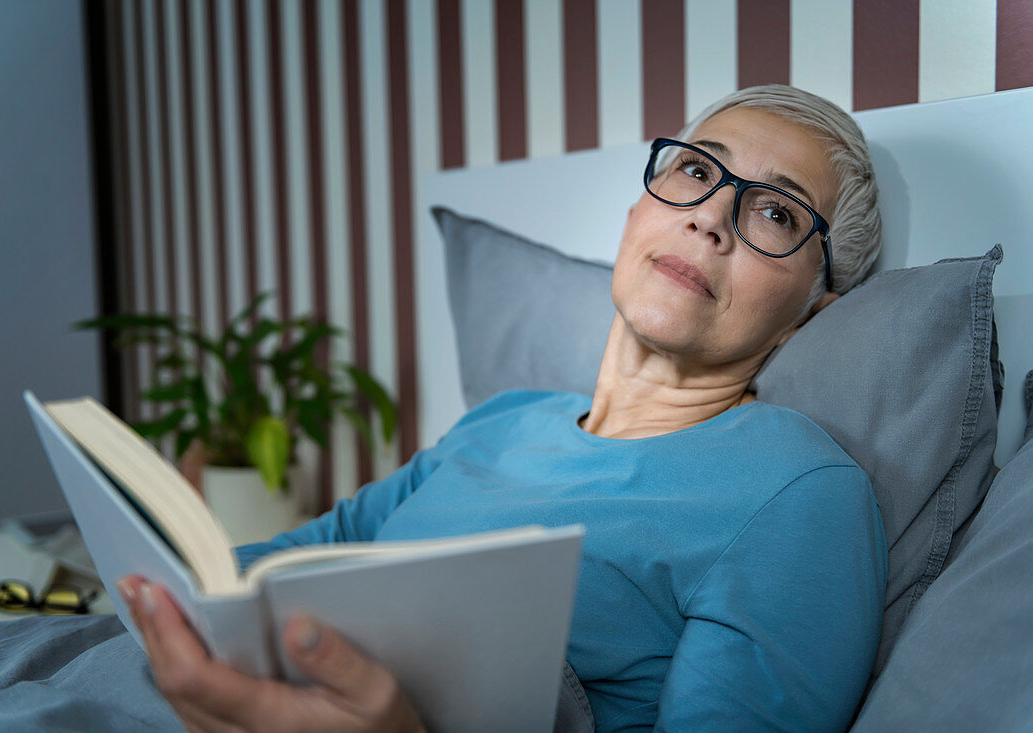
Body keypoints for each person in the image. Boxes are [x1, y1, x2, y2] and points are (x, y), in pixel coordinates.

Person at [120, 84, 887, 732]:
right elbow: (298, 557)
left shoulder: (800, 492)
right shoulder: (506, 419)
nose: (711, 216)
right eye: (694, 170)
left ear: (812, 311)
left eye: (776, 214)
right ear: (634, 218)